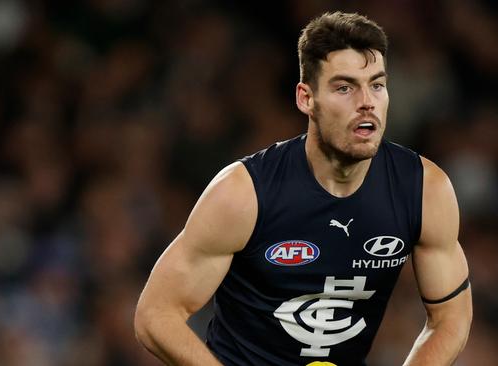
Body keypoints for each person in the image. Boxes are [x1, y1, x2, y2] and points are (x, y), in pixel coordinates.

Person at [134, 11, 472, 366]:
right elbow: (155, 315)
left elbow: (451, 318)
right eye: (345, 88)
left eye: (377, 84)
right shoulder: (244, 193)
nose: (367, 102)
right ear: (306, 98)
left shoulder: (423, 190)